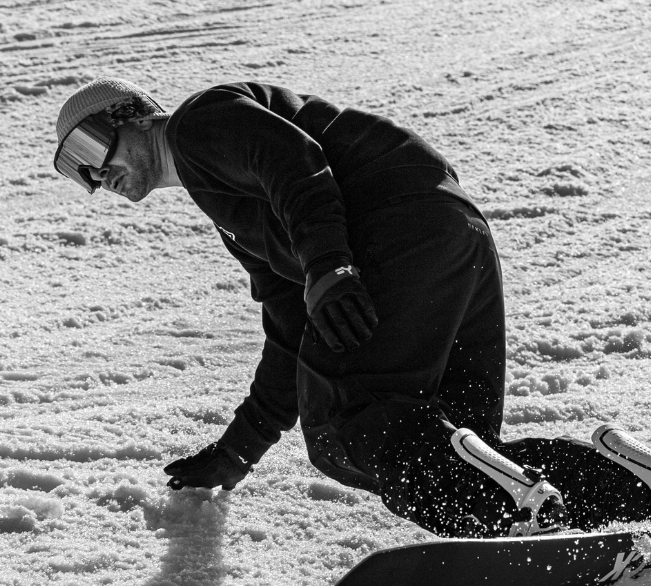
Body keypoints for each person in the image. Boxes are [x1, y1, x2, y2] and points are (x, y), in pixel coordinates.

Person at [53, 77, 651, 538]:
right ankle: (621, 490)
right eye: (75, 168)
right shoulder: (235, 209)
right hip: (449, 239)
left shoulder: (196, 124)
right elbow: (290, 329)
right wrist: (238, 449)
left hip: (391, 238)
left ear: (132, 115)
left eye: (91, 145)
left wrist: (329, 266)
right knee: (443, 439)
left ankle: (517, 523)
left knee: (350, 428)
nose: (94, 173)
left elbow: (292, 160)